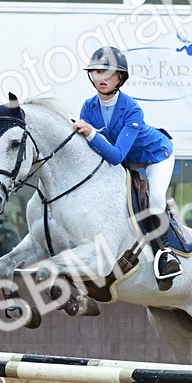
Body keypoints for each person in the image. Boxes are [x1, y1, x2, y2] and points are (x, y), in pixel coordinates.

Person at [71, 46, 181, 280]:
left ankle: (165, 253)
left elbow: (116, 156)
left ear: (120, 78)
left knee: (156, 198)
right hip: (128, 161)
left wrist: (91, 133)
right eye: (97, 73)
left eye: (108, 74)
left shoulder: (132, 110)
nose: (102, 79)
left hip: (155, 156)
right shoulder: (88, 106)